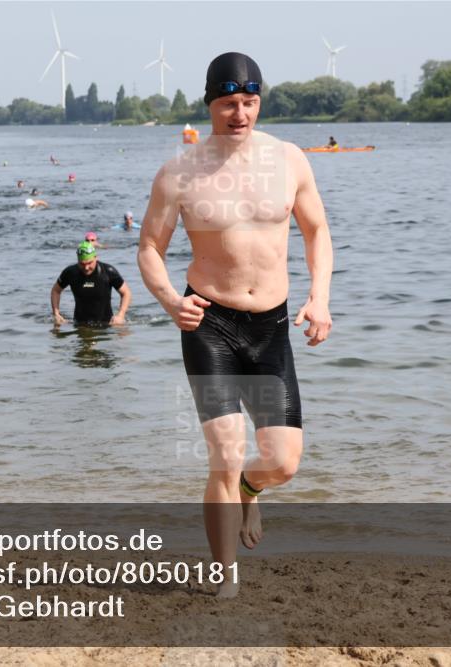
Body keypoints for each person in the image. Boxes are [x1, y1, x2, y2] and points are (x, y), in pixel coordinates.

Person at [137, 52, 333, 598]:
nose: (240, 114)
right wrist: (171, 301)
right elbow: (150, 247)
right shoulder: (180, 172)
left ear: (259, 102)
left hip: (272, 326)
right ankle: (225, 577)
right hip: (209, 324)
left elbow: (317, 232)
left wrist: (320, 298)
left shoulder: (290, 160)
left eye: (249, 103)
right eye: (229, 104)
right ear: (210, 105)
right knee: (223, 452)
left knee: (284, 463)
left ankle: (252, 488)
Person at [51, 241, 130, 326]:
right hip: (79, 324)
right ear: (78, 259)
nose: (86, 267)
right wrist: (56, 313)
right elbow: (56, 291)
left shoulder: (108, 271)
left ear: (96, 257)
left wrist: (121, 315)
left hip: (106, 325)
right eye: (82, 264)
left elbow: (126, 292)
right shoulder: (70, 272)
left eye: (89, 263)